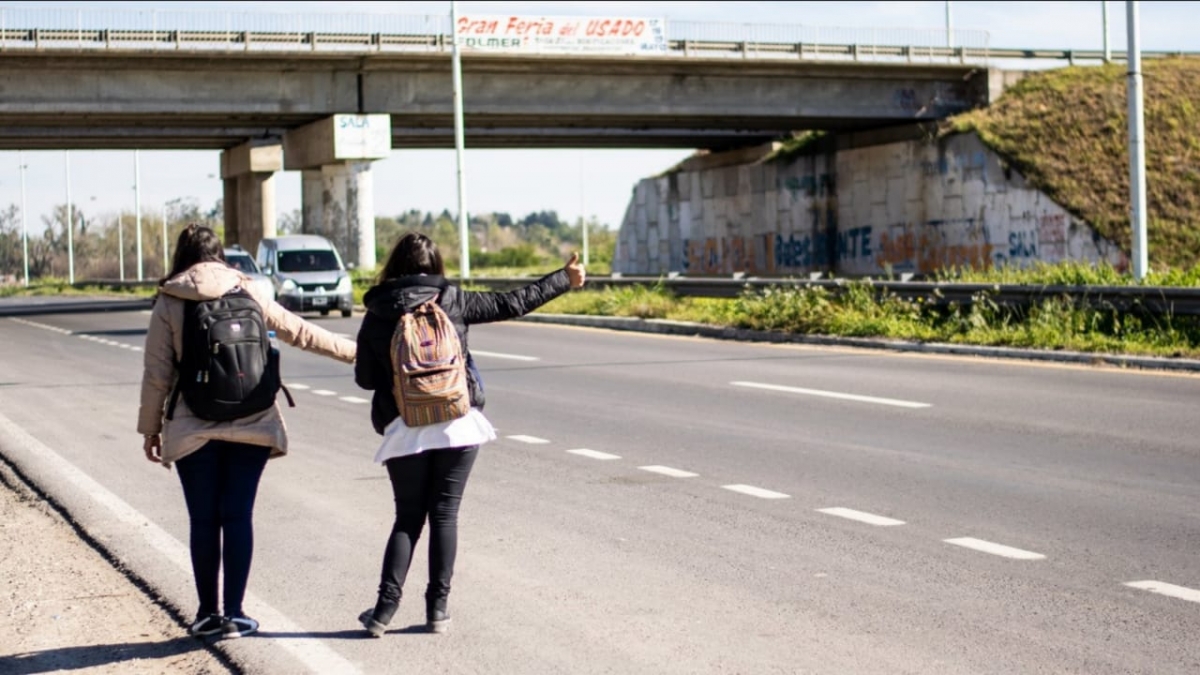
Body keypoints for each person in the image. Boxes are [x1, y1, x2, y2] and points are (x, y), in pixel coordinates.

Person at [354, 232, 585, 636]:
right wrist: (564, 278)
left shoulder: (378, 311)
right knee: (445, 514)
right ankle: (437, 610)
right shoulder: (453, 299)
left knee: (408, 518)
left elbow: (365, 378)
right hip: (458, 423)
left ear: (393, 266)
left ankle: (383, 612)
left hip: (405, 430)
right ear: (436, 265)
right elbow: (512, 302)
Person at [137, 224, 356, 639]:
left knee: (204, 520)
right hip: (253, 420)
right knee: (237, 515)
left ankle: (206, 614)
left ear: (182, 258)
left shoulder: (170, 299)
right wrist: (360, 354)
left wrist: (150, 430)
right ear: (220, 255)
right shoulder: (251, 289)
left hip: (192, 427)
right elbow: (301, 332)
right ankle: (236, 613)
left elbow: (157, 374)